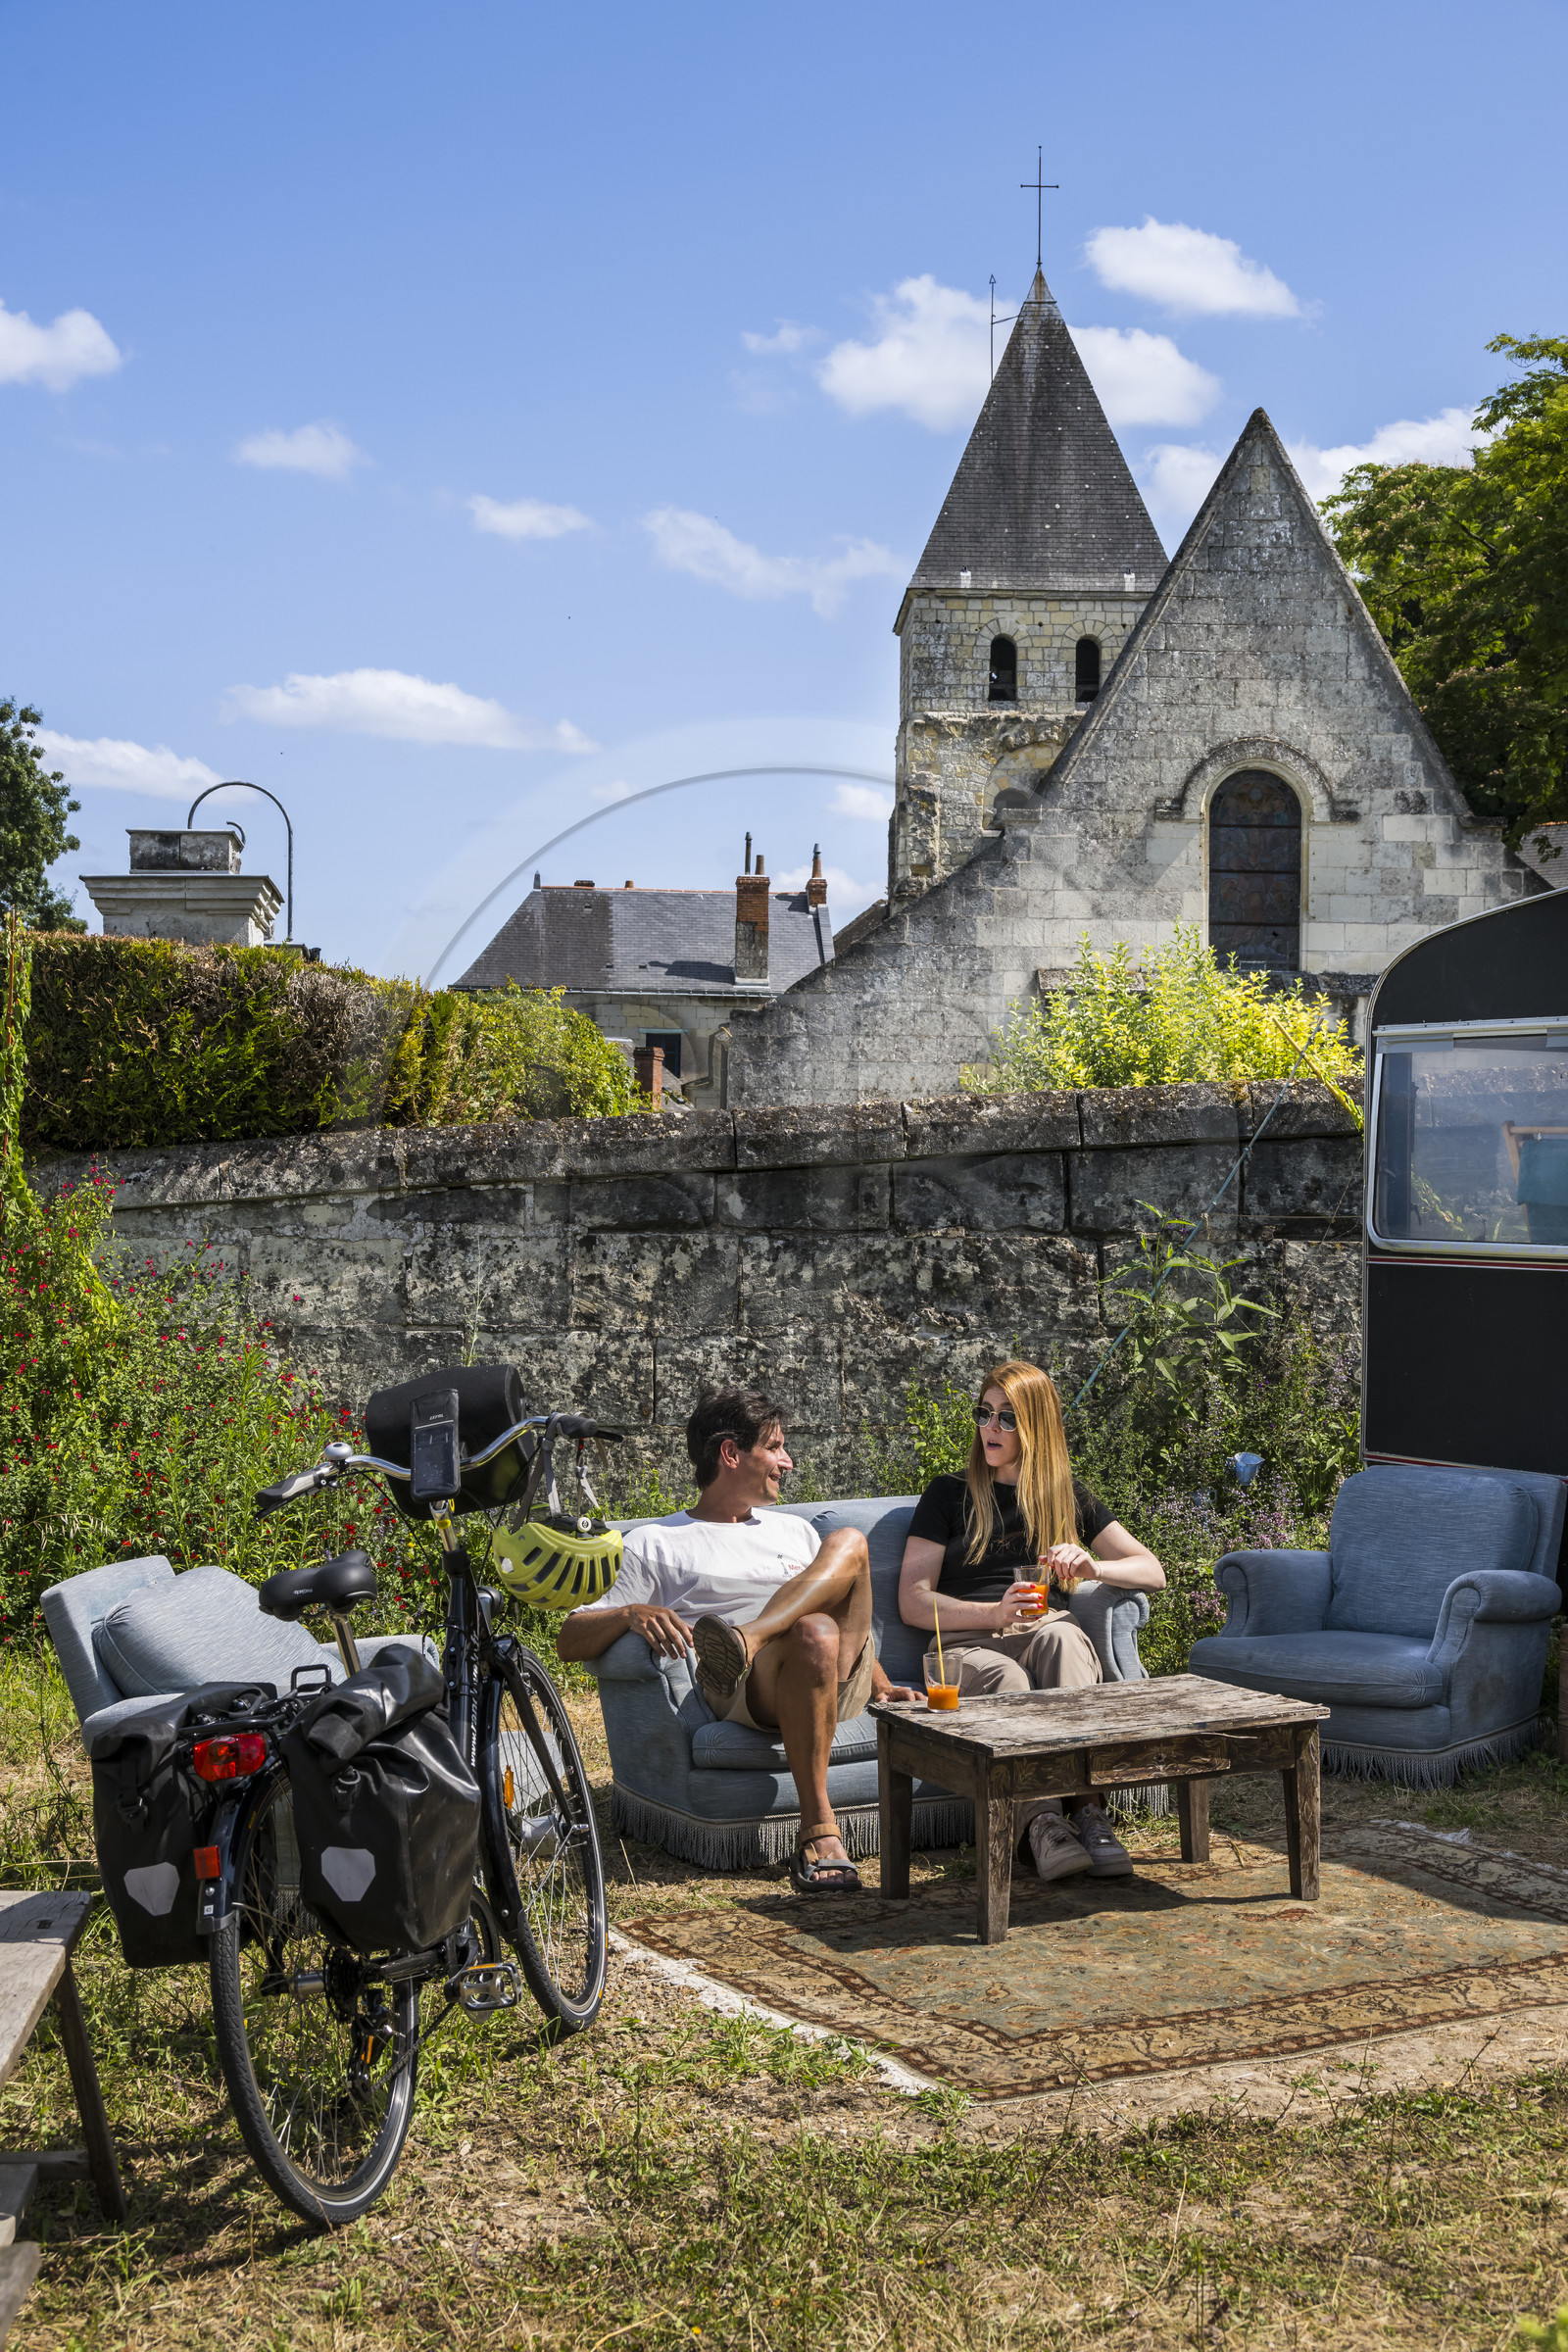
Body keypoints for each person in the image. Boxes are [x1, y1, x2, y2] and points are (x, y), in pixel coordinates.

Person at [558, 1386, 919, 1895]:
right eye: (774, 1447)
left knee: (851, 1545)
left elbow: (844, 1609)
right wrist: (629, 1613)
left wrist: (881, 1684)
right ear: (730, 1453)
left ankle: (747, 1637)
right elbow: (569, 1639)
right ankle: (820, 1830)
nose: (787, 1462)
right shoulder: (656, 1542)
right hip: (748, 1686)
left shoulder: (795, 1531)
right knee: (813, 1630)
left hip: (837, 1671)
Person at [898, 1358, 1165, 1885]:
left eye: (1006, 1418)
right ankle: (1041, 1822)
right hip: (965, 1645)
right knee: (1009, 1679)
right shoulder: (948, 1493)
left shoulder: (1066, 1495)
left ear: (1036, 1425)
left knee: (1066, 1637)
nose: (990, 1429)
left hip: (1040, 1630)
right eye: (984, 1414)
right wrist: (993, 1612)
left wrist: (1094, 1566)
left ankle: (1088, 1811)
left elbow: (1151, 1570)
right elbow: (913, 1599)